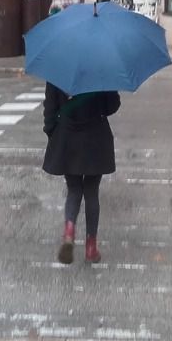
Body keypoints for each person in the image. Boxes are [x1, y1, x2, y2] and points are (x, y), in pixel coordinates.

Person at [42, 83, 121, 264]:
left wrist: (52, 131)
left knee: (74, 189)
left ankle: (69, 230)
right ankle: (91, 247)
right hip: (96, 137)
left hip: (68, 136)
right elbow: (111, 106)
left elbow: (50, 108)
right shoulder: (101, 73)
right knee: (92, 191)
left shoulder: (58, 72)